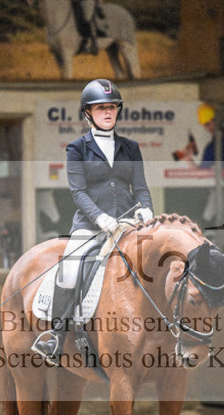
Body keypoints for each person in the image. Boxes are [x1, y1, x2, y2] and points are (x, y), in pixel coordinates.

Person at [33, 78, 154, 363]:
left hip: (127, 226)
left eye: (112, 107)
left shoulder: (131, 148)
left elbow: (140, 187)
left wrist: (147, 208)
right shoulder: (77, 149)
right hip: (90, 225)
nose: (108, 112)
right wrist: (100, 218)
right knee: (71, 268)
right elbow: (78, 192)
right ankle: (56, 337)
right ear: (88, 113)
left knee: (155, 264)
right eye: (101, 108)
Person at [178, 103, 224, 222]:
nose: (207, 128)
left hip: (223, 191)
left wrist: (188, 160)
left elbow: (201, 174)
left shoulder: (215, 146)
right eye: (204, 125)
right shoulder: (215, 145)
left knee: (208, 220)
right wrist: (188, 160)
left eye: (208, 124)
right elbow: (202, 172)